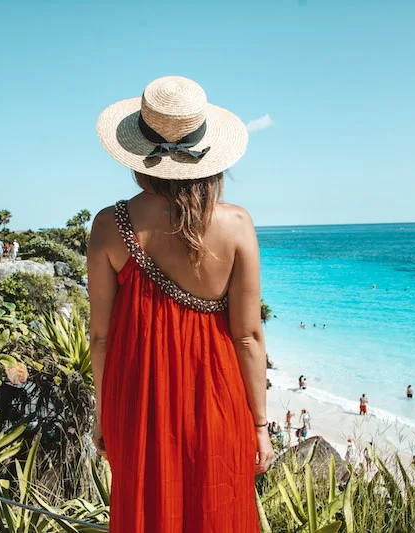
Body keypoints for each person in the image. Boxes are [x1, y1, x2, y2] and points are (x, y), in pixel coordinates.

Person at [87, 76, 271, 532]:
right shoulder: (237, 224)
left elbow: (101, 337)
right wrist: (262, 426)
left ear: (138, 156)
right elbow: (247, 336)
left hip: (138, 405)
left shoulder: (110, 226)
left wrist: (103, 416)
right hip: (218, 404)